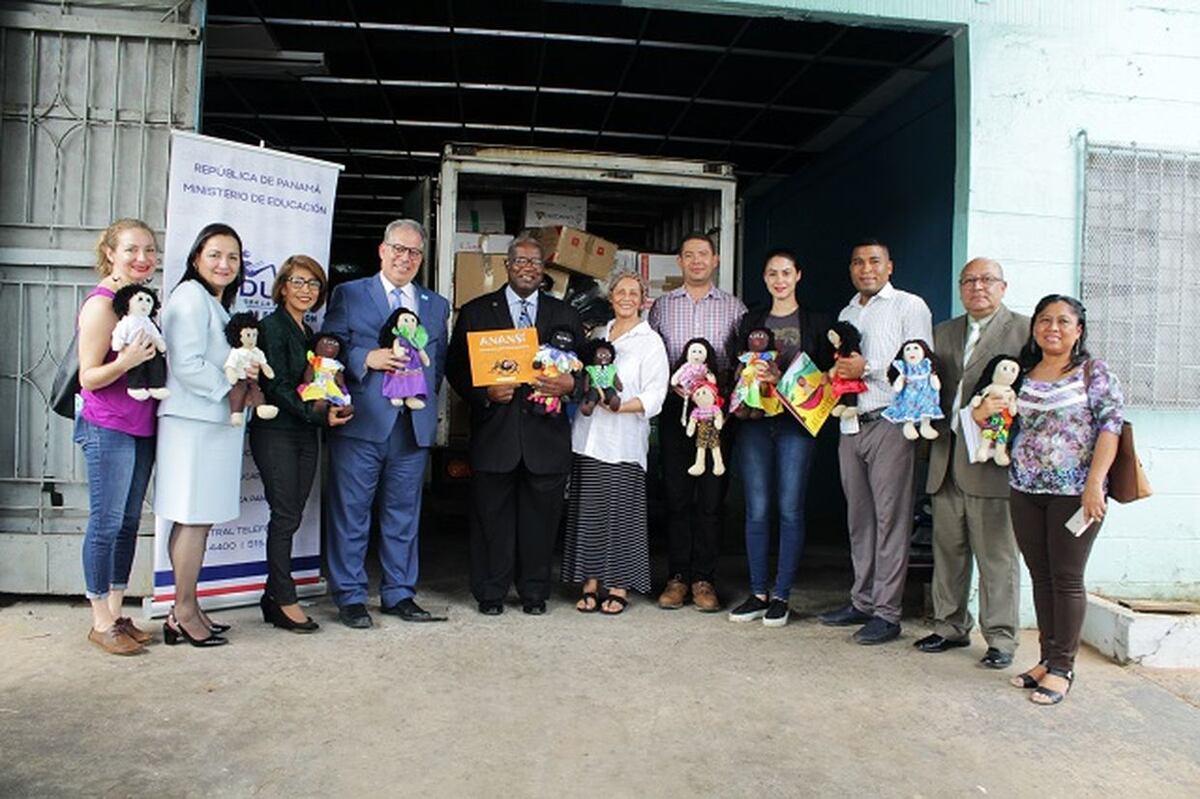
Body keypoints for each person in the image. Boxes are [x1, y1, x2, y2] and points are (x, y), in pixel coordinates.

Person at [320, 219, 450, 629]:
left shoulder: (435, 304)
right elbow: (329, 347)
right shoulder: (349, 293)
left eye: (413, 252)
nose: (404, 258)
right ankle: (351, 595)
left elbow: (439, 363)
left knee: (403, 514)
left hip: (411, 425)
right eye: (398, 248)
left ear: (421, 258)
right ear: (382, 249)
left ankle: (399, 593)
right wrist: (366, 358)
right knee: (351, 512)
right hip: (362, 422)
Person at [446, 235, 583, 616]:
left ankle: (534, 593)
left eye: (535, 262)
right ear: (506, 266)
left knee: (541, 523)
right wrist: (484, 393)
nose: (527, 267)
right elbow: (455, 368)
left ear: (544, 270)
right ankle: (490, 592)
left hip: (546, 439)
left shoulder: (565, 315)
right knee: (492, 520)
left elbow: (587, 371)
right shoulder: (476, 313)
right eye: (520, 261)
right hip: (495, 435)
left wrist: (571, 384)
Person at [1007, 294, 1123, 706]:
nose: (1051, 328)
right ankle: (1045, 659)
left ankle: (1063, 667)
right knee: (1041, 576)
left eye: (1062, 321)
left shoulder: (1094, 372)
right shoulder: (1023, 372)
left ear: (1078, 330)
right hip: (1024, 488)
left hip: (1074, 492)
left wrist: (1095, 483)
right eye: (1044, 320)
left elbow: (1111, 428)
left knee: (1067, 578)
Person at [915, 258, 1029, 668]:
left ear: (1003, 286)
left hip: (991, 461)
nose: (978, 287)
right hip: (946, 457)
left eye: (987, 280)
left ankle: (1000, 639)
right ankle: (949, 626)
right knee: (948, 549)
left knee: (996, 554)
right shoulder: (943, 331)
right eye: (969, 281)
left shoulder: (1024, 330)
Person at [817, 239, 932, 644]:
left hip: (890, 421)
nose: (866, 268)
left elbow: (921, 364)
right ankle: (861, 601)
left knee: (891, 519)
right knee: (859, 519)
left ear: (889, 267)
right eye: (858, 262)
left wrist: (871, 368)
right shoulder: (848, 311)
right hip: (851, 423)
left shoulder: (908, 306)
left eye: (874, 261)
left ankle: (887, 612)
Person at [154, 223, 249, 648]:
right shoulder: (190, 298)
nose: (224, 264)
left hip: (211, 425)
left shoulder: (215, 302)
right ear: (196, 258)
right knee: (192, 520)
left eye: (232, 257)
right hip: (193, 425)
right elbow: (187, 363)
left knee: (200, 520)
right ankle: (183, 611)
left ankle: (187, 605)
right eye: (214, 255)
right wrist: (231, 390)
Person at [249, 256, 353, 633]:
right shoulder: (271, 328)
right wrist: (316, 415)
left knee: (292, 514)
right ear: (282, 287)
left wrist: (337, 404)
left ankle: (270, 594)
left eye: (313, 284)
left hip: (306, 433)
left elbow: (317, 385)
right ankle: (283, 597)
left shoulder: (311, 333)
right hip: (278, 432)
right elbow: (275, 389)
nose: (306, 290)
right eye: (298, 282)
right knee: (286, 515)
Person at [726, 249, 830, 627]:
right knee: (756, 507)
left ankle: (782, 594)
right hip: (754, 423)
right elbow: (734, 366)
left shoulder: (816, 322)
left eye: (787, 272)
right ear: (765, 278)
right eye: (772, 273)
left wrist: (781, 377)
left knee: (789, 508)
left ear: (798, 275)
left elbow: (822, 379)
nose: (779, 280)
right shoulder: (749, 320)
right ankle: (757, 592)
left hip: (795, 426)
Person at [74, 219, 161, 655]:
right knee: (106, 523)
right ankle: (98, 619)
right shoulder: (102, 304)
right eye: (131, 250)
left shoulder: (141, 303)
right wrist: (126, 361)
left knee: (128, 523)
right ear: (110, 252)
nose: (142, 258)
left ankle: (115, 611)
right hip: (107, 424)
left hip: (142, 425)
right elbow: (88, 377)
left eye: (149, 250)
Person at [647, 232, 746, 612]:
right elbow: (654, 358)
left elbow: (741, 365)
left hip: (715, 414)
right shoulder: (662, 307)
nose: (697, 261)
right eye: (689, 255)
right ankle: (676, 577)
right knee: (676, 495)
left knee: (710, 497)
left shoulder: (734, 308)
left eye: (703, 254)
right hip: (676, 413)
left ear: (715, 260)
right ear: (680, 262)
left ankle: (704, 579)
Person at [561, 270, 669, 615]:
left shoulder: (650, 341)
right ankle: (590, 583)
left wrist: (620, 405)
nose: (625, 298)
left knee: (621, 517)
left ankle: (619, 586)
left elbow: (656, 396)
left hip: (624, 441)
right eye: (619, 292)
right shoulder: (598, 334)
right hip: (589, 438)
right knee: (589, 514)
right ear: (611, 297)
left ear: (642, 300)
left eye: (633, 293)